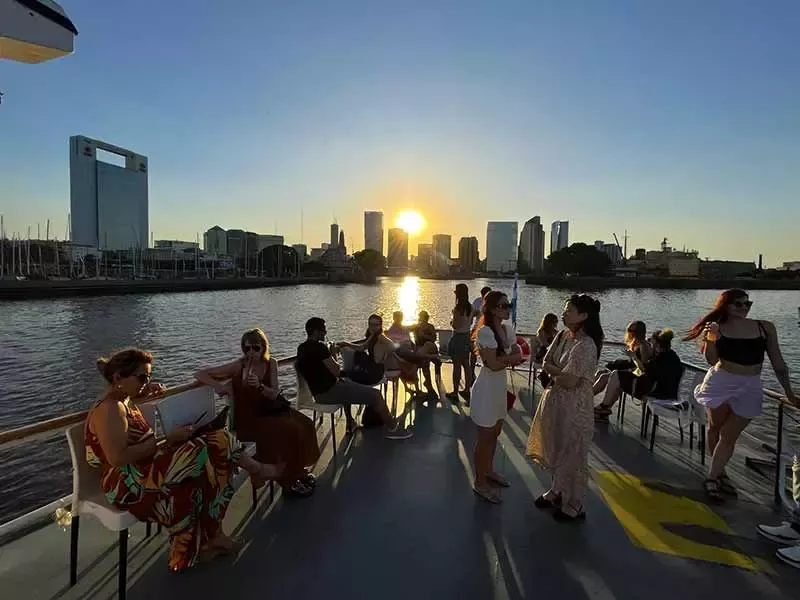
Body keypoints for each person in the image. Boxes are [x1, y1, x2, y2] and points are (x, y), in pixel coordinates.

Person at [86, 348, 283, 572]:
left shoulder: (123, 399)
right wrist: (168, 438)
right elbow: (118, 458)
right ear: (118, 378)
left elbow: (130, 419)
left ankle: (213, 534)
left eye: (149, 376)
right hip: (127, 482)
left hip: (145, 467)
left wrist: (145, 391)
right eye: (142, 377)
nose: (147, 381)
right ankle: (253, 476)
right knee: (205, 448)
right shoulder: (110, 409)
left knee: (218, 441)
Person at [685, 289, 798, 502]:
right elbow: (711, 360)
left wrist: (789, 393)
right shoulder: (719, 328)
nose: (744, 308)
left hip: (750, 385)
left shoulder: (764, 327)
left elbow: (779, 364)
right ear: (725, 306)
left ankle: (712, 476)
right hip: (721, 381)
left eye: (748, 304)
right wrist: (711, 339)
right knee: (715, 429)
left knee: (729, 435)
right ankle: (719, 474)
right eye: (739, 304)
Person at [195, 328, 321, 499]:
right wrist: (219, 387)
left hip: (271, 410)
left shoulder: (272, 364)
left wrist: (260, 386)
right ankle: (289, 480)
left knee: (305, 424)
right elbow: (200, 374)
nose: (251, 352)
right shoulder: (239, 365)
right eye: (246, 348)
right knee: (291, 430)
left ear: (263, 347)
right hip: (249, 419)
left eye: (255, 348)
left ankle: (296, 470)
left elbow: (275, 393)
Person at [527, 294, 603, 522]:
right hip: (556, 401)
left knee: (574, 453)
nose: (564, 313)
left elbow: (570, 381)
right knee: (557, 446)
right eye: (565, 309)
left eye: (569, 310)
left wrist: (555, 371)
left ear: (583, 316)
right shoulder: (561, 336)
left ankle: (575, 503)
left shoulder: (586, 345)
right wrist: (560, 372)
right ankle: (557, 489)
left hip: (576, 406)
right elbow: (546, 361)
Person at [296, 317, 412, 440]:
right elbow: (336, 371)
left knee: (348, 383)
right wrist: (333, 354)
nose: (325, 332)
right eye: (323, 329)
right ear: (315, 331)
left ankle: (350, 422)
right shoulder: (320, 348)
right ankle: (392, 428)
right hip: (329, 392)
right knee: (376, 395)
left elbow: (318, 369)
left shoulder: (301, 348)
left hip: (318, 392)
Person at [470, 291, 524, 504]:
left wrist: (507, 358)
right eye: (503, 305)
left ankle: (489, 471)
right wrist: (511, 358)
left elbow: (515, 353)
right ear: (491, 308)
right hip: (487, 388)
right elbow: (492, 364)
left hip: (499, 387)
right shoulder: (485, 332)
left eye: (508, 305)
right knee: (484, 438)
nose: (507, 309)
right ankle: (479, 482)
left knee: (495, 432)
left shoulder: (506, 329)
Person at [594, 328, 684, 421]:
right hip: (665, 391)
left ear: (657, 344)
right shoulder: (672, 357)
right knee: (619, 379)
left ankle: (604, 407)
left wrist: (633, 357)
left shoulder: (661, 359)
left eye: (652, 344)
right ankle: (604, 409)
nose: (651, 346)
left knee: (616, 375)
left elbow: (644, 369)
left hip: (656, 392)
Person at [593, 320, 652, 396]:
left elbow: (644, 368)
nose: (628, 332)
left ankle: (587, 397)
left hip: (636, 374)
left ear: (638, 332)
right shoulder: (636, 343)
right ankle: (583, 393)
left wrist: (633, 356)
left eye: (631, 330)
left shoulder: (643, 345)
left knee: (604, 377)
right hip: (631, 368)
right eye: (628, 329)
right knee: (600, 372)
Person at [447, 283, 474, 402]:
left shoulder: (458, 309)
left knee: (457, 366)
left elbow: (456, 325)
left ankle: (455, 391)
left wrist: (451, 322)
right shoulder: (471, 307)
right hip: (467, 337)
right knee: (466, 365)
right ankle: (467, 389)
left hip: (458, 338)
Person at [469, 286, 492, 381]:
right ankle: (471, 372)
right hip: (477, 329)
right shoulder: (477, 301)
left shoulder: (493, 303)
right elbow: (472, 315)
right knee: (473, 352)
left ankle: (487, 372)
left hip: (489, 330)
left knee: (488, 352)